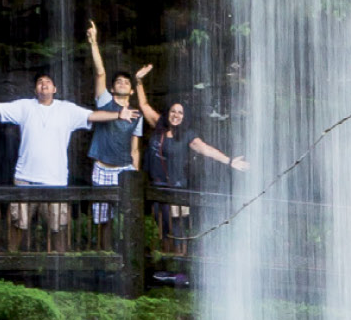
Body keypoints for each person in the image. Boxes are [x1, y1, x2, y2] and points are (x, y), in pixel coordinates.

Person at [0, 70, 94, 247]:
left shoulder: (67, 110)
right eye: (40, 82)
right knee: (18, 224)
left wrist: (119, 115)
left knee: (59, 226)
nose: (44, 84)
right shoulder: (25, 107)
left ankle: (62, 264)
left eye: (48, 82)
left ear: (55, 88)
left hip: (55, 182)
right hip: (25, 180)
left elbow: (93, 116)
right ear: (35, 89)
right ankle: (12, 261)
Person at [134, 91, 242, 272]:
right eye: (173, 111)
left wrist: (229, 161)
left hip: (176, 188)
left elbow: (205, 149)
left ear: (185, 117)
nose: (176, 115)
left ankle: (180, 269)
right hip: (156, 187)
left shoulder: (187, 135)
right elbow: (144, 105)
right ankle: (167, 267)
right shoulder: (158, 126)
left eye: (180, 113)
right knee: (162, 227)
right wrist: (138, 82)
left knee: (176, 228)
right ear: (168, 113)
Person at [84, 22, 149, 225]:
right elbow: (100, 72)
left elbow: (135, 149)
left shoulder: (137, 115)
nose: (122, 82)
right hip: (102, 167)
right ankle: (105, 254)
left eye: (126, 82)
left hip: (125, 169)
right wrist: (94, 42)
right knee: (102, 220)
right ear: (112, 89)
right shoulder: (104, 102)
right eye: (118, 81)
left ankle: (126, 256)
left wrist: (135, 174)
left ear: (131, 91)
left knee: (129, 219)